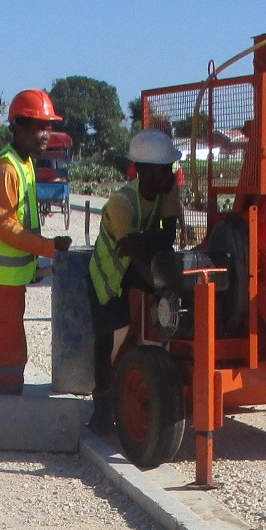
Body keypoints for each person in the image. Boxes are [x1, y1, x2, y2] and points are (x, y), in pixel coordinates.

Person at [0, 89, 72, 396]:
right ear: (19, 126)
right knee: (11, 354)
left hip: (6, 277)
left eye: (50, 125)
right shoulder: (7, 168)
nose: (47, 133)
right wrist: (49, 248)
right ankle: (8, 418)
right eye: (39, 126)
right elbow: (6, 227)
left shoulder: (25, 163)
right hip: (0, 279)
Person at [87, 128, 183, 434]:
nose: (172, 174)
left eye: (171, 167)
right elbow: (132, 251)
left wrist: (145, 242)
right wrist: (160, 287)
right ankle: (102, 405)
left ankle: (142, 386)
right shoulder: (121, 203)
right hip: (107, 275)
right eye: (165, 168)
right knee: (108, 338)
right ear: (144, 171)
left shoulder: (166, 191)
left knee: (156, 325)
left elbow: (167, 236)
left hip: (136, 266)